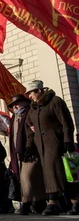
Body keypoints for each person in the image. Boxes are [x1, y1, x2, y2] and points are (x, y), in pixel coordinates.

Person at [24, 80, 77, 215]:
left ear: (39, 91)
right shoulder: (33, 109)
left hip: (56, 143)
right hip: (41, 146)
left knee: (61, 173)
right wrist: (29, 146)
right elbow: (29, 128)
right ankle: (70, 202)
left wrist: (68, 141)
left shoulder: (55, 102)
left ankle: (56, 203)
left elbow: (67, 123)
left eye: (31, 93)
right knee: (50, 174)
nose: (29, 96)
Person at [8, 94, 47, 215]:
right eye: (13, 105)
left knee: (28, 177)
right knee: (24, 179)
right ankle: (36, 204)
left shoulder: (29, 113)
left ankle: (26, 204)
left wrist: (29, 147)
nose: (15, 107)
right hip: (18, 153)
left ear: (25, 103)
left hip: (29, 151)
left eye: (17, 103)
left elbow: (31, 133)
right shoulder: (14, 117)